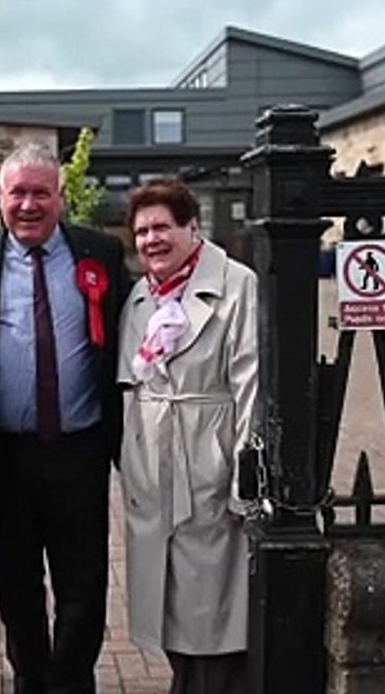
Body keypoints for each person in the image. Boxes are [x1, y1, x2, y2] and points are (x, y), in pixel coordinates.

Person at [0, 142, 127, 694]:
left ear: (61, 197)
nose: (29, 204)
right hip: (6, 455)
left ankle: (71, 682)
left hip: (80, 450)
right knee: (16, 587)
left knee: (84, 584)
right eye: (18, 192)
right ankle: (30, 677)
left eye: (41, 192)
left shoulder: (100, 254)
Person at [116, 178, 258, 694]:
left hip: (208, 462)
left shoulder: (237, 287)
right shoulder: (140, 297)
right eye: (142, 231)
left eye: (163, 227)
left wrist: (244, 476)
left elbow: (251, 385)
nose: (151, 239)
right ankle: (184, 682)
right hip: (155, 475)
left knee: (214, 603)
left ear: (192, 228)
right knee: (169, 597)